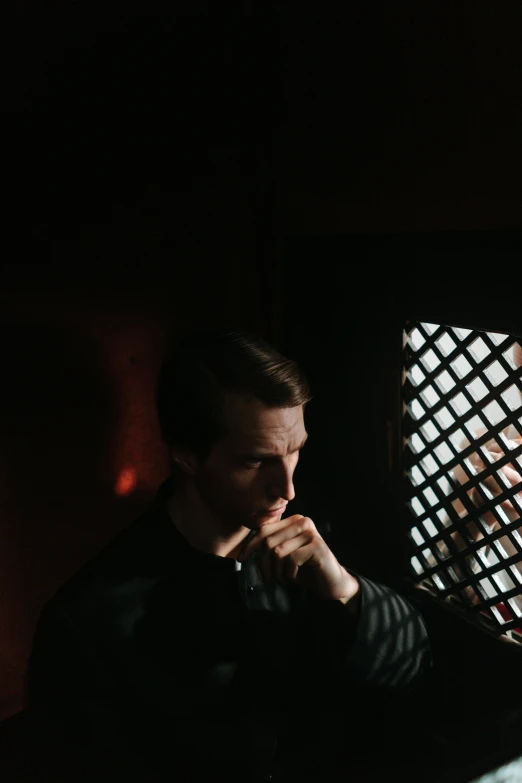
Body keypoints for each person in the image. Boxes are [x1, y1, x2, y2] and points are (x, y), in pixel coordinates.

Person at [24, 327, 432, 783]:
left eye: (295, 450)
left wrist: (346, 590)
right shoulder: (88, 620)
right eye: (255, 461)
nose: (287, 488)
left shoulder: (317, 535)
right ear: (186, 455)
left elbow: (411, 670)